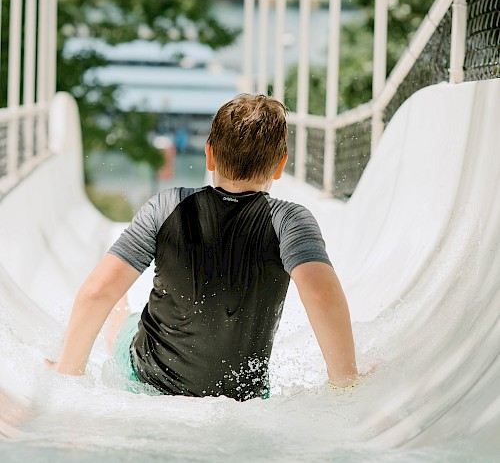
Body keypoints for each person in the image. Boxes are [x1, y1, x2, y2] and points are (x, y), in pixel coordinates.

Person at [46, 94, 358, 401]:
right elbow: (322, 293)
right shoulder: (290, 220)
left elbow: (97, 292)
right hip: (241, 397)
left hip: (148, 380)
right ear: (280, 165)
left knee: (118, 310)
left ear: (208, 154)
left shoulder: (166, 205)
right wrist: (346, 380)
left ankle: (120, 321)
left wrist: (67, 372)